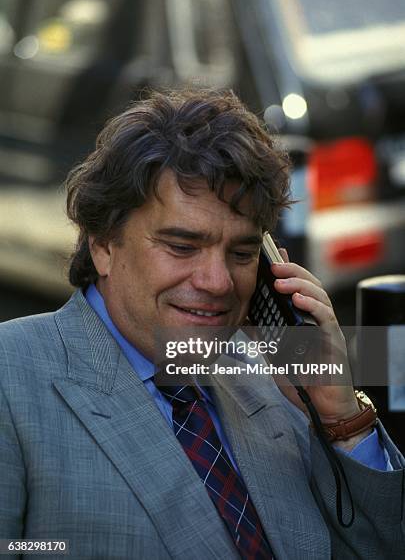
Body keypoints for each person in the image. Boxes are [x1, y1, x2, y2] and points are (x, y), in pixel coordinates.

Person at [0, 89, 403, 560]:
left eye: (241, 253)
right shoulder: (14, 376)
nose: (217, 282)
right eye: (182, 246)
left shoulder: (276, 376)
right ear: (103, 244)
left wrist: (340, 419)